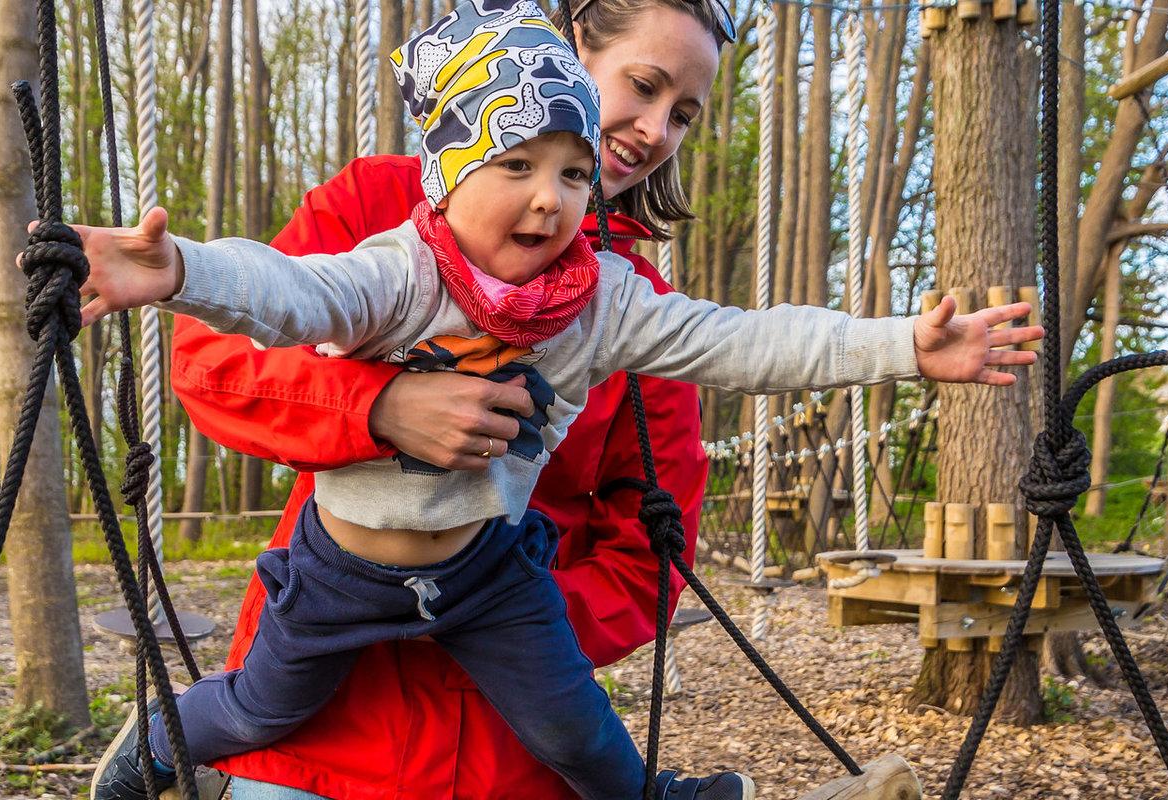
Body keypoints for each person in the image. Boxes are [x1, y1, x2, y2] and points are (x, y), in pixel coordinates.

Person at [74, 1, 1043, 798]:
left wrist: (901, 347)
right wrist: (376, 409)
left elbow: (660, 518)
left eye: (686, 115)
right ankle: (166, 740)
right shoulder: (387, 220)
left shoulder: (619, 301)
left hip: (505, 708)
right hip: (335, 711)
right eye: (645, 87)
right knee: (259, 707)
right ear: (570, 55)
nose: (655, 131)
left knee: (592, 750)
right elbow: (235, 343)